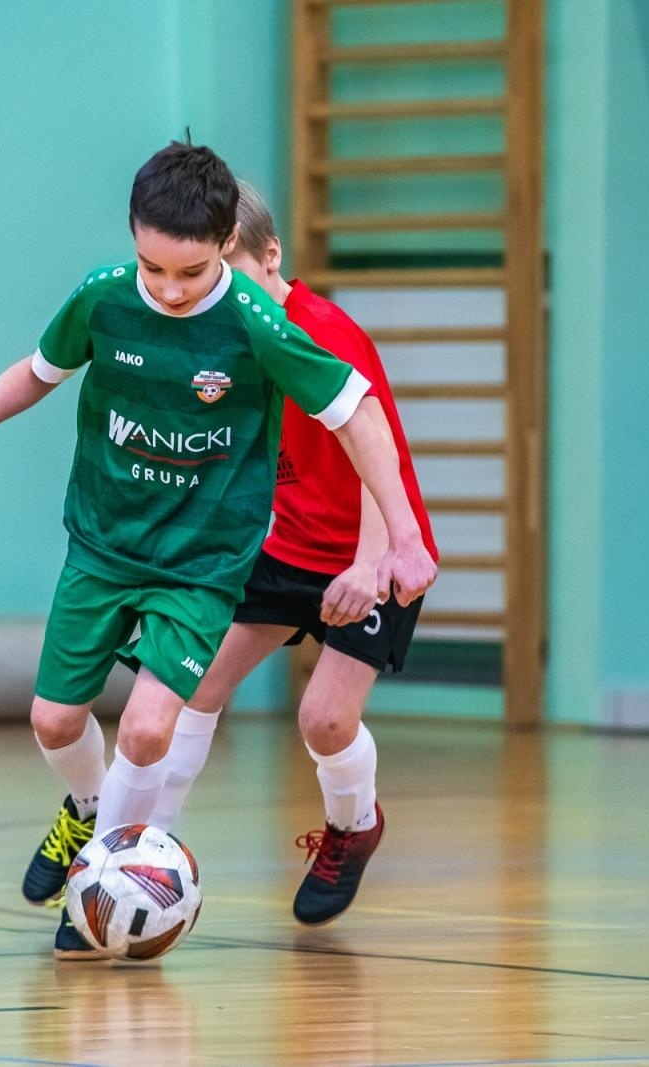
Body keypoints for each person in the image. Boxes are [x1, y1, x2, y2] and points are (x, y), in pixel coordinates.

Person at [0, 141, 437, 958]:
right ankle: (113, 834)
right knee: (110, 713)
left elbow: (373, 438)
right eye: (154, 269)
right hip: (235, 547)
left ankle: (328, 829)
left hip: (308, 553)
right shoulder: (113, 300)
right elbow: (43, 370)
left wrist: (387, 554)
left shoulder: (285, 329)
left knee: (310, 719)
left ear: (250, 253)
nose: (170, 291)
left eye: (193, 274)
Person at [128, 181, 437, 927]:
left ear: (272, 256)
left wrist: (370, 565)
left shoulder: (324, 332)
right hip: (283, 547)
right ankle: (143, 851)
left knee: (324, 720)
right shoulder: (225, 335)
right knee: (193, 684)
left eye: (235, 272)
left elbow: (379, 455)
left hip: (371, 548)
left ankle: (353, 824)